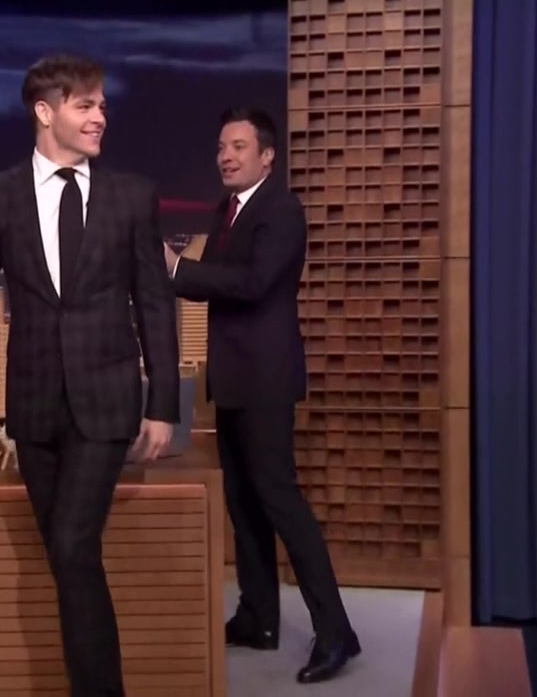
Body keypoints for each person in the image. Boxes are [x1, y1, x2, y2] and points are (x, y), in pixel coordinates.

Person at [0, 53, 181, 697]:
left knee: (72, 547)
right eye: (86, 105)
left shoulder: (132, 196)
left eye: (102, 105)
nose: (101, 117)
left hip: (107, 403)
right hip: (37, 406)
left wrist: (163, 403)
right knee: (68, 558)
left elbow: (155, 302)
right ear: (45, 113)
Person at [163, 107, 360, 684]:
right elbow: (217, 288)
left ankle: (337, 632)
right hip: (232, 379)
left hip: (266, 381)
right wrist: (179, 273)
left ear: (267, 156)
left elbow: (251, 284)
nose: (225, 157)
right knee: (243, 503)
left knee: (280, 501)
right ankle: (258, 617)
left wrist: (177, 268)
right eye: (221, 147)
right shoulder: (228, 209)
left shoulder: (282, 210)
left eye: (239, 147)